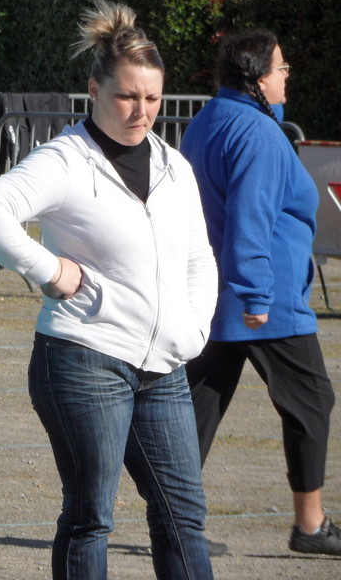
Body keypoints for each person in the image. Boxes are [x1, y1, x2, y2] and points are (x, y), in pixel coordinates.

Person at [0, 0, 218, 580]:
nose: (141, 111)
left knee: (184, 514)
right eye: (127, 96)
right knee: (91, 516)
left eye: (152, 99)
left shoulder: (176, 166)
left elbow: (200, 256)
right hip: (84, 359)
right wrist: (49, 270)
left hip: (165, 365)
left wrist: (194, 325)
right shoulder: (65, 160)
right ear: (95, 88)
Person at [180, 29, 341, 555]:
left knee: (196, 410)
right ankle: (311, 527)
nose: (287, 72)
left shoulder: (208, 120)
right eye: (281, 66)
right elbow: (251, 216)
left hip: (214, 294)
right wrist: (255, 294)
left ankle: (177, 521)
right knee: (313, 402)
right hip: (259, 301)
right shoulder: (256, 132)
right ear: (256, 77)